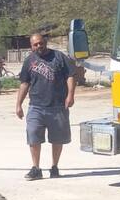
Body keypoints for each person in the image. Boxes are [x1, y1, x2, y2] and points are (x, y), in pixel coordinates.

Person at [15, 32, 75, 179]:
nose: (39, 46)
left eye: (41, 43)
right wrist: (18, 104)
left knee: (57, 139)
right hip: (36, 106)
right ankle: (36, 168)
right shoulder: (29, 61)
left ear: (45, 42)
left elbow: (70, 76)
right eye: (35, 44)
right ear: (31, 46)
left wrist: (70, 95)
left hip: (58, 106)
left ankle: (54, 167)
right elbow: (24, 83)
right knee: (33, 136)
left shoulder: (59, 57)